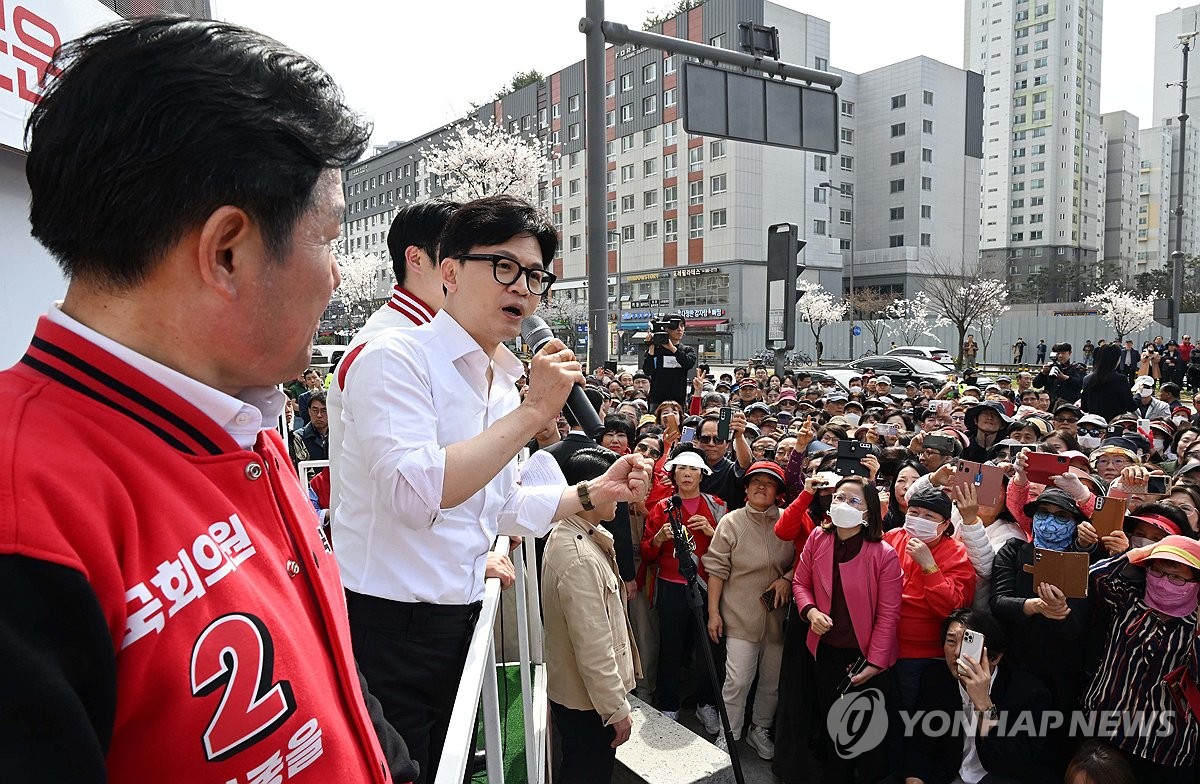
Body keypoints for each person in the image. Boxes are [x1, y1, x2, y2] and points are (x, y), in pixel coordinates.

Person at [1, 16, 418, 782]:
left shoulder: (241, 420)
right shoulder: (23, 509)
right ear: (227, 251)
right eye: (329, 237)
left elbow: (332, 684)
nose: (336, 277)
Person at [334, 196, 651, 784]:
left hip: (461, 614)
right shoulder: (393, 358)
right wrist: (534, 414)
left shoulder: (500, 382)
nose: (523, 288)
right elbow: (416, 492)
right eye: (503, 267)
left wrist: (588, 495)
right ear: (449, 273)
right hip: (386, 626)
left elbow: (499, 505)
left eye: (536, 276)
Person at [328, 199, 459, 518]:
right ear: (416, 258)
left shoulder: (424, 335)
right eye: (457, 257)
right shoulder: (386, 349)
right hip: (399, 558)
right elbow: (412, 490)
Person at [793, 475, 902, 782]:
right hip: (826, 649)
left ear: (869, 512)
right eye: (839, 497)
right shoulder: (819, 537)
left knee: (866, 736)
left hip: (864, 656)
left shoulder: (883, 554)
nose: (843, 504)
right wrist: (810, 610)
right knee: (832, 728)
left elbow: (888, 614)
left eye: (854, 501)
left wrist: (875, 663)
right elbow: (801, 583)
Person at [543, 449, 640, 784]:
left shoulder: (571, 535)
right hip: (589, 705)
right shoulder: (579, 557)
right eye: (612, 486)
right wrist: (615, 709)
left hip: (583, 698)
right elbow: (594, 647)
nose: (620, 496)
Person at [1082, 536, 1200, 780]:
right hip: (1105, 729)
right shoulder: (1127, 601)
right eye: (1157, 571)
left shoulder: (1195, 625)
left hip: (1162, 746)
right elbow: (1094, 576)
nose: (1164, 582)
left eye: (1177, 577)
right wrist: (1137, 554)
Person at [703, 461, 795, 759]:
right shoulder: (731, 521)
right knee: (738, 679)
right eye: (756, 481)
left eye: (769, 483)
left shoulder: (788, 522)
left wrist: (787, 579)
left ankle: (760, 729)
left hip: (777, 618)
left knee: (771, 681)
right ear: (745, 487)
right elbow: (716, 569)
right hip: (739, 615)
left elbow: (806, 560)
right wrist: (714, 613)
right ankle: (729, 733)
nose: (761, 486)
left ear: (778, 492)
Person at [902, 608, 1056, 784]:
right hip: (948, 773)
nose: (957, 652)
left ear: (995, 657)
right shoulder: (936, 679)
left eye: (969, 645)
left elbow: (1011, 763)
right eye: (951, 641)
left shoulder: (1028, 692)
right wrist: (915, 779)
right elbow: (921, 742)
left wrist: (983, 703)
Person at [640, 446, 726, 725]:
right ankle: (667, 703)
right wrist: (658, 540)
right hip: (670, 584)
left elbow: (729, 551)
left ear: (702, 475)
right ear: (673, 474)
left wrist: (713, 533)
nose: (687, 474)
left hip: (707, 585)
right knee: (671, 646)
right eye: (681, 469)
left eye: (693, 470)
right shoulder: (661, 508)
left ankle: (706, 703)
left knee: (707, 647)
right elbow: (647, 552)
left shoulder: (717, 505)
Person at [642, 313, 696, 409]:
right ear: (666, 328)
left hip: (678, 400)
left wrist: (672, 348)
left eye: (682, 326)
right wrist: (651, 347)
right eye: (675, 326)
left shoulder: (687, 350)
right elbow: (648, 370)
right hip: (657, 400)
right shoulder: (656, 350)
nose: (679, 329)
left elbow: (688, 363)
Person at [1081, 343, 1138, 422]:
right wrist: (1138, 395)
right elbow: (1131, 406)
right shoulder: (1120, 379)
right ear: (1116, 359)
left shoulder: (1087, 379)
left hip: (1095, 425)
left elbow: (1084, 407)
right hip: (1115, 424)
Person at [1033, 342, 1085, 409]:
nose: (1060, 356)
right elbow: (1036, 384)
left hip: (1069, 406)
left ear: (1070, 353)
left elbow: (1081, 385)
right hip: (1049, 405)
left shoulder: (1077, 368)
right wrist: (1043, 373)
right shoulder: (1050, 367)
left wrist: (1065, 378)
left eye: (1063, 353)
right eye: (1057, 353)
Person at [292, 389, 330, 463]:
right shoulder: (298, 437)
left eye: (324, 410)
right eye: (315, 410)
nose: (319, 415)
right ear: (309, 411)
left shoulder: (341, 436)